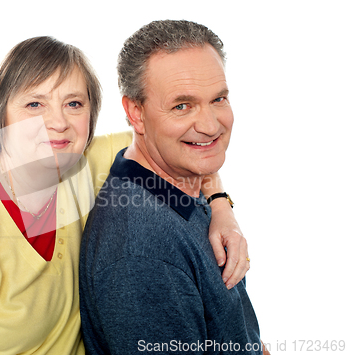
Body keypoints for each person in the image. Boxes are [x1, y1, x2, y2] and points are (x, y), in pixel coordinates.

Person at [0, 36, 249, 355]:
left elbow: (190, 142)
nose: (57, 122)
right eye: (34, 104)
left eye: (74, 104)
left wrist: (221, 206)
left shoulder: (84, 166)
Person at [79, 20, 267, 354]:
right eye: (182, 106)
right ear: (136, 113)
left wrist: (221, 202)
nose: (210, 126)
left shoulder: (174, 179)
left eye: (218, 99)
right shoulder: (142, 251)